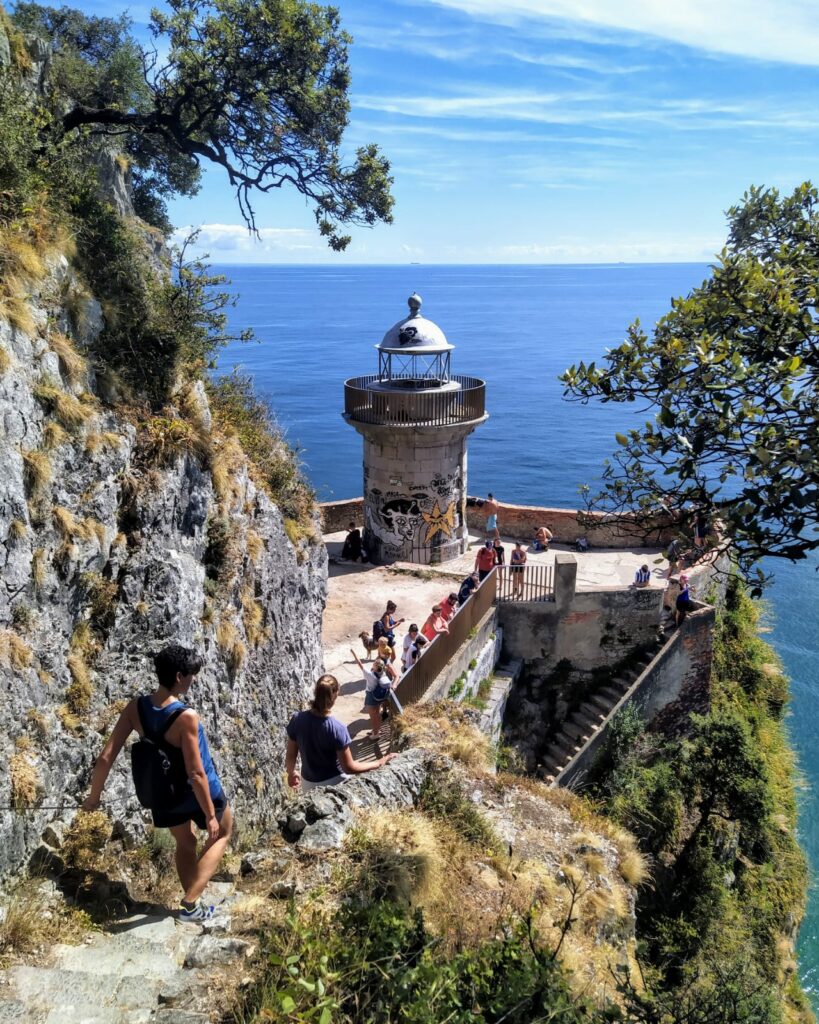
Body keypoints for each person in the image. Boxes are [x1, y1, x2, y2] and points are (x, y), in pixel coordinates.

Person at [82, 644, 232, 924]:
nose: (194, 679)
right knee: (222, 833)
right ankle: (189, 901)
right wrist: (210, 814)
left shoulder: (135, 708)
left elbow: (105, 757)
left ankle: (192, 910)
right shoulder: (185, 716)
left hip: (164, 793)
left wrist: (94, 797)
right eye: (191, 674)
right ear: (178, 676)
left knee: (185, 843)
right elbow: (196, 772)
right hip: (198, 790)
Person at [286, 675, 396, 791]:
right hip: (334, 783)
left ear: (316, 692)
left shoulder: (297, 719)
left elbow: (291, 755)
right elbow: (349, 767)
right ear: (335, 695)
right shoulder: (337, 728)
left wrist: (291, 772)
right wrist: (379, 762)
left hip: (307, 783)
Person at [350, 653, 395, 739]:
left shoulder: (370, 675)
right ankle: (377, 730)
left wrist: (354, 654)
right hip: (379, 697)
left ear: (375, 667)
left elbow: (360, 664)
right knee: (377, 714)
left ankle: (375, 734)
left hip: (371, 696)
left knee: (373, 716)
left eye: (374, 664)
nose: (372, 664)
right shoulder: (383, 672)